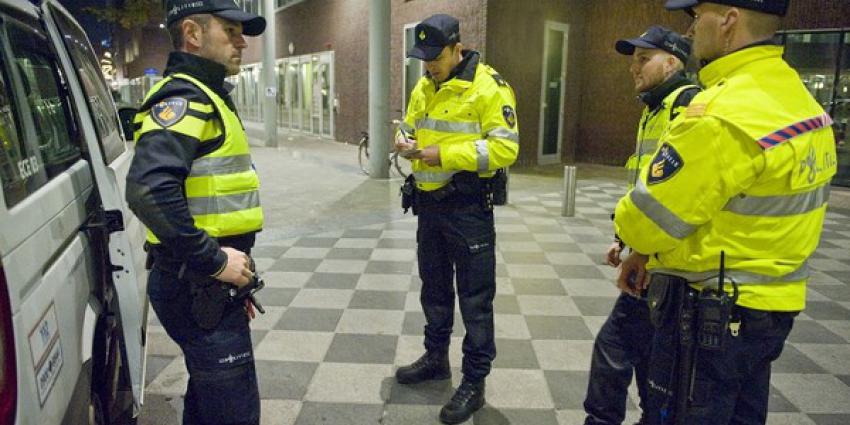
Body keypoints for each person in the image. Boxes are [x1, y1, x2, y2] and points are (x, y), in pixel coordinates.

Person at [614, 0, 836, 423]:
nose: (693, 29)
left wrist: (634, 239)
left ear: (730, 21)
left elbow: (645, 219)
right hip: (773, 305)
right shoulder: (800, 101)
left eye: (698, 18)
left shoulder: (722, 114)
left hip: (710, 314)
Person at [125, 1, 266, 424]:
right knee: (234, 411)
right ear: (193, 33)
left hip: (204, 281)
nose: (243, 41)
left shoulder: (208, 95)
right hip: (197, 283)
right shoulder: (185, 97)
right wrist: (215, 259)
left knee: (208, 398)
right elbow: (148, 190)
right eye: (231, 30)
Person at [393, 13, 519, 425]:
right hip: (428, 206)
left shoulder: (489, 87)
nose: (429, 65)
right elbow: (410, 126)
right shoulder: (424, 85)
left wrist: (441, 155)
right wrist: (403, 140)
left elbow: (504, 149)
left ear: (457, 48)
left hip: (467, 210)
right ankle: (435, 358)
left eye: (436, 56)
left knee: (476, 300)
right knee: (434, 289)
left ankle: (475, 382)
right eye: (423, 57)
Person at [584, 26, 700, 425]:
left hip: (671, 271)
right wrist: (626, 240)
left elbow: (680, 196)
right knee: (629, 358)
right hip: (650, 261)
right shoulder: (654, 109)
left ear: (672, 62)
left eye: (643, 59)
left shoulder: (687, 107)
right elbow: (647, 190)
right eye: (633, 59)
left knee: (636, 361)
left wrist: (645, 252)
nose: (633, 68)